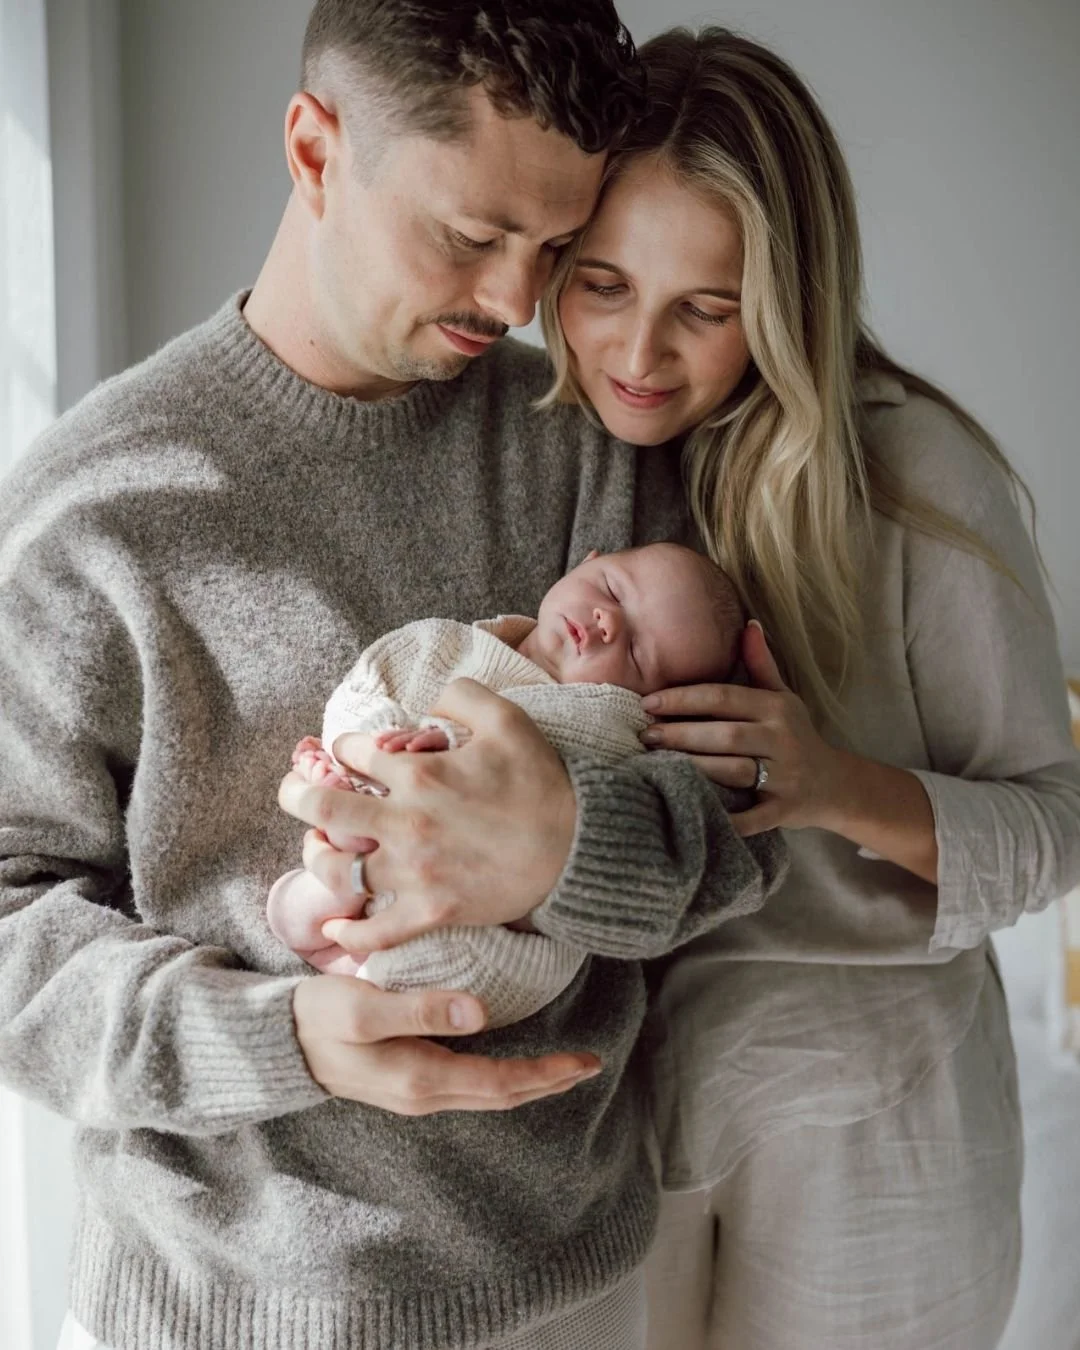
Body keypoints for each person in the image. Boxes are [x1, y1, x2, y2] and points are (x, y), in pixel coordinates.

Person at [0, 5, 788, 1350]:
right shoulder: (94, 512)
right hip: (214, 1309)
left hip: (570, 1287)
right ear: (316, 149)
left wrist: (565, 847)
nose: (509, 298)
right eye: (470, 236)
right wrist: (283, 1033)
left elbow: (740, 826)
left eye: (549, 249)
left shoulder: (589, 455)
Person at [522, 25, 1078, 1350]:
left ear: (786, 299)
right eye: (600, 282)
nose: (638, 351)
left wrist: (837, 786)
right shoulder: (540, 458)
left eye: (705, 309)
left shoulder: (916, 479)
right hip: (610, 1123)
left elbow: (1057, 825)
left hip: (874, 1118)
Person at [267, 542, 745, 1028]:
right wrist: (375, 732)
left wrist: (445, 739)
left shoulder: (607, 721)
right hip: (380, 829)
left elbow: (546, 765)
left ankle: (359, 898)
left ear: (654, 702)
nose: (608, 623)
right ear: (587, 560)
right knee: (287, 910)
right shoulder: (445, 642)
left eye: (638, 653)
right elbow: (363, 687)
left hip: (483, 933)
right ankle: (351, 866)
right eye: (612, 590)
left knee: (390, 968)